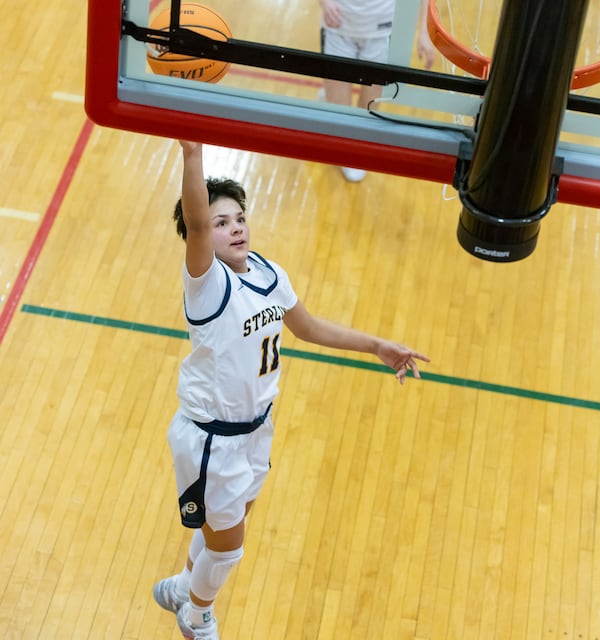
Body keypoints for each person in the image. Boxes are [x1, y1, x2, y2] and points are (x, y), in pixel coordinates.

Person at [152, 140, 429, 639]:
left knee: (224, 533)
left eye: (238, 217)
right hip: (213, 439)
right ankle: (195, 614)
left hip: (256, 430)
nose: (234, 227)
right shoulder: (207, 285)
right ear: (201, 238)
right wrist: (192, 152)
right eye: (220, 223)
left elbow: (308, 327)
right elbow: (194, 221)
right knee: (229, 545)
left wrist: (376, 346)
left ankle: (182, 587)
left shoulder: (266, 270)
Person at [318, 0, 436, 182]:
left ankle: (355, 149)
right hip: (337, 28)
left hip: (382, 32)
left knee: (369, 111)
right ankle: (331, 101)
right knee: (339, 119)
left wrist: (425, 32)